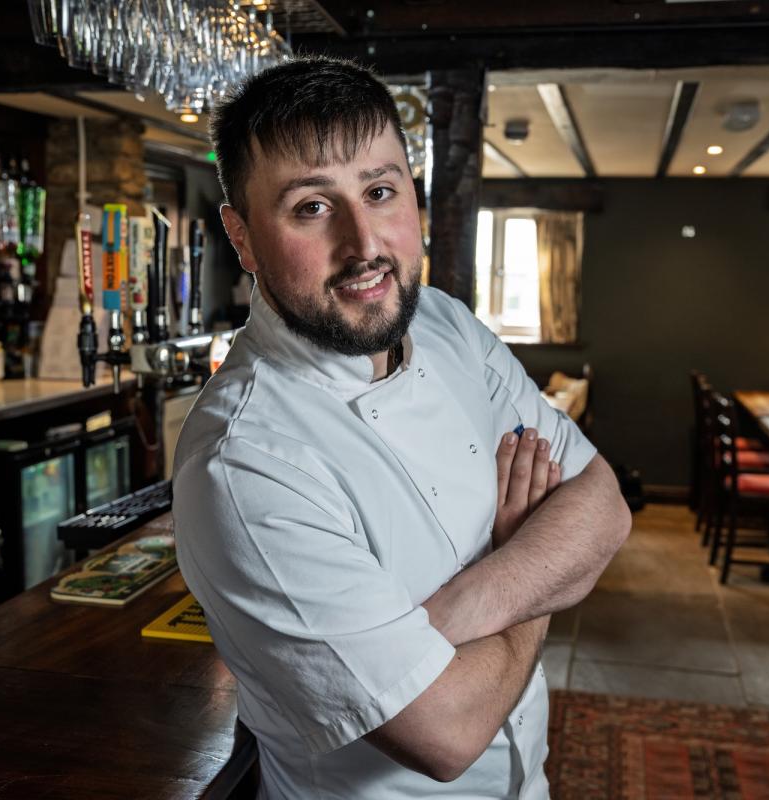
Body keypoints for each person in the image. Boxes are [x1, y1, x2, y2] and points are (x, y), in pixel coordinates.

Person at [173, 56, 631, 799]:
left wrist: (466, 605)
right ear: (243, 237)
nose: (365, 245)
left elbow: (604, 505)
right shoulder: (243, 463)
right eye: (311, 207)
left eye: (380, 192)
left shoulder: (445, 323)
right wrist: (532, 561)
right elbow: (446, 732)